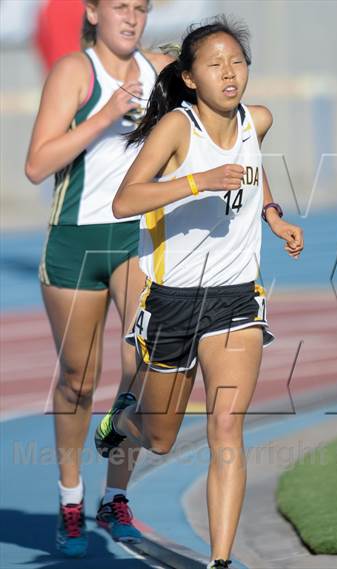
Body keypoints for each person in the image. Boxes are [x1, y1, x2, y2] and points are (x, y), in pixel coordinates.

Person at [94, 15, 304, 569]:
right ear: (190, 78)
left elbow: (254, 171)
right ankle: (123, 420)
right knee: (159, 438)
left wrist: (274, 217)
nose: (229, 73)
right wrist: (198, 181)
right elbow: (125, 201)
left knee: (226, 426)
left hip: (237, 297)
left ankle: (220, 561)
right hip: (173, 301)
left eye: (236, 62)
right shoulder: (176, 130)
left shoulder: (256, 120)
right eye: (215, 64)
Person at [25, 0, 173, 558]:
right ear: (92, 11)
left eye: (140, 7)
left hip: (135, 239)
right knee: (79, 381)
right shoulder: (75, 72)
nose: (130, 17)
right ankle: (71, 498)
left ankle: (116, 495)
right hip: (74, 242)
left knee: (144, 364)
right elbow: (37, 165)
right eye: (119, 7)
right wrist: (106, 115)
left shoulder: (160, 70)